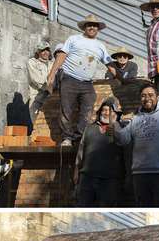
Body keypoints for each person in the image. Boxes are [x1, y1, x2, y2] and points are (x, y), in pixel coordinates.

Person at [47, 14, 115, 147]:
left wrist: (121, 77)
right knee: (66, 110)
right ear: (84, 27)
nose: (92, 27)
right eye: (89, 25)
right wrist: (52, 73)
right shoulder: (74, 39)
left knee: (88, 110)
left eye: (95, 26)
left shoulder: (100, 46)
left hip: (87, 83)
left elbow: (109, 64)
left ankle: (79, 137)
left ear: (98, 29)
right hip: (69, 78)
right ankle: (67, 137)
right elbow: (62, 56)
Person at [113, 83, 159, 207]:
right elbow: (124, 139)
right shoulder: (136, 118)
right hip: (139, 174)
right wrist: (114, 128)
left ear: (157, 97)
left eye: (151, 95)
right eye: (143, 96)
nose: (147, 99)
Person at [74, 97, 125, 207]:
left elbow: (125, 148)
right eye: (104, 110)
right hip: (87, 177)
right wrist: (76, 171)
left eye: (110, 111)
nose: (106, 113)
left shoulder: (121, 129)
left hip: (110, 179)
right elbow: (81, 151)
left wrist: (115, 125)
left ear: (116, 114)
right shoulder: (89, 128)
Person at [27, 42, 53, 123]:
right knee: (35, 123)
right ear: (38, 52)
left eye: (47, 50)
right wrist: (51, 88)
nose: (45, 52)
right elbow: (37, 80)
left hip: (50, 98)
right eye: (43, 50)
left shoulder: (53, 64)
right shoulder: (32, 62)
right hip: (37, 99)